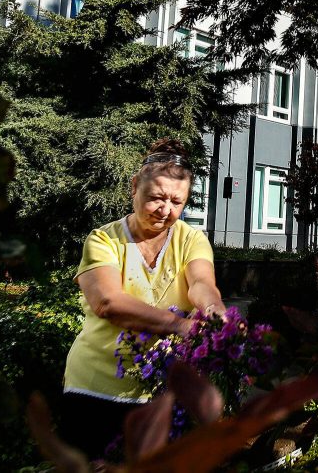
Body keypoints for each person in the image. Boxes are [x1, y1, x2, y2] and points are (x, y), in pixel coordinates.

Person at [61, 138, 225, 459]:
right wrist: (181, 326)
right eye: (156, 198)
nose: (166, 211)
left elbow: (201, 283)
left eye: (177, 202)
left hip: (159, 393)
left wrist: (214, 311)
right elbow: (108, 303)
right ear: (134, 187)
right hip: (94, 389)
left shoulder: (192, 239)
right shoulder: (104, 239)